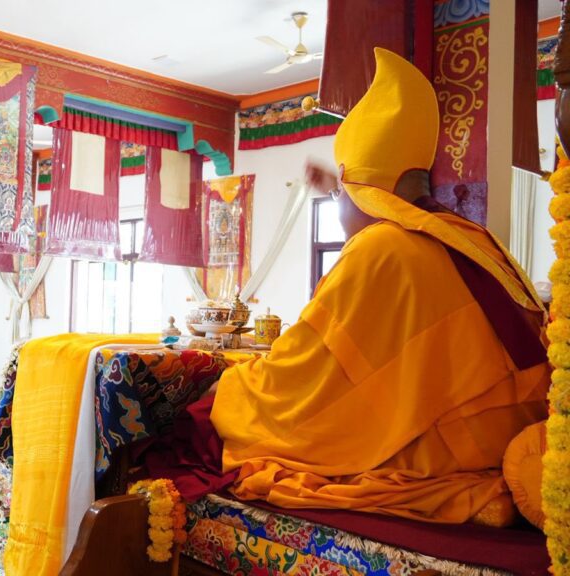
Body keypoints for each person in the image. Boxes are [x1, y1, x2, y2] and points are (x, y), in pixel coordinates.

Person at [149, 49, 549, 524]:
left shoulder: (381, 248)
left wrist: (235, 386)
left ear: (356, 190)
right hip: (511, 434)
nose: (337, 207)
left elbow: (303, 381)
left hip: (449, 454)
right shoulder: (472, 240)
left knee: (204, 422)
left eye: (339, 193)